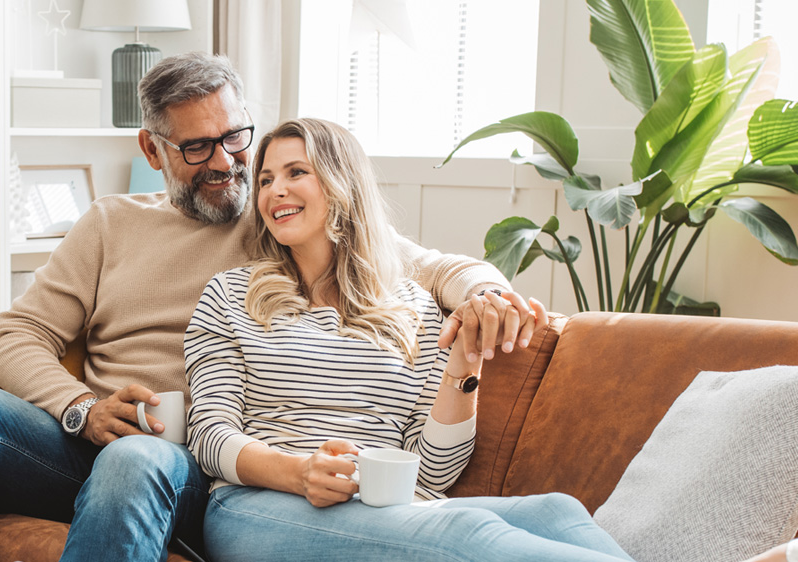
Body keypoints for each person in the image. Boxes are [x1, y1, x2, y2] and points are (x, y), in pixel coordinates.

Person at [0, 53, 546, 562]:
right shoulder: (111, 224)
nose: (227, 164)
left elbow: (422, 263)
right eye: (196, 147)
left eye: (236, 139)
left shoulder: (279, 218)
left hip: (191, 461)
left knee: (138, 460)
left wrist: (485, 292)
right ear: (152, 151)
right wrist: (82, 410)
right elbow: (12, 337)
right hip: (94, 441)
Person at [184, 117, 634, 561]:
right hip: (258, 507)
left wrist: (465, 361)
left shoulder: (414, 308)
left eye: (296, 172)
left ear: (343, 184)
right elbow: (208, 435)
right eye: (265, 180)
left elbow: (435, 472)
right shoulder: (230, 295)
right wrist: (299, 473)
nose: (274, 190)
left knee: (556, 511)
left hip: (389, 508)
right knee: (462, 531)